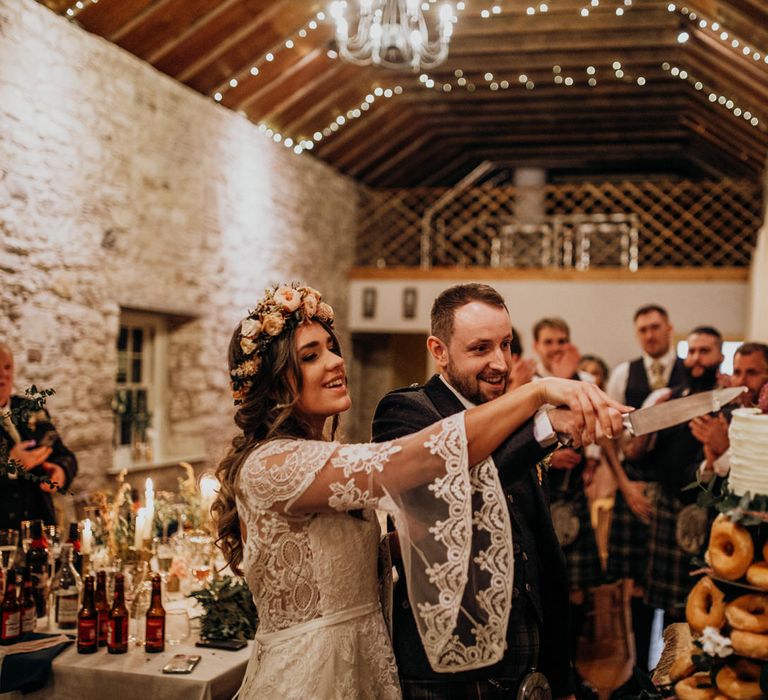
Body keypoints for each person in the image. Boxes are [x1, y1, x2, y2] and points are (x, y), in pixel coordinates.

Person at [213, 283, 627, 700]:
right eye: (310, 356)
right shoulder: (273, 465)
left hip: (368, 664)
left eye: (331, 348)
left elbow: (362, 555)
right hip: (310, 674)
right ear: (273, 382)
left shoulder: (327, 457)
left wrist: (403, 543)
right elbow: (421, 461)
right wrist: (537, 395)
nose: (337, 361)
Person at [372, 287, 610, 699]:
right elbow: (448, 501)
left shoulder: (519, 419)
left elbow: (543, 549)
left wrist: (561, 673)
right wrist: (544, 425)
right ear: (439, 350)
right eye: (481, 348)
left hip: (526, 659)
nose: (500, 363)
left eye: (505, 345)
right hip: (446, 673)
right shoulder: (406, 411)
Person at [604, 304, 686, 683]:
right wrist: (625, 486)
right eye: (643, 330)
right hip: (633, 489)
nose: (650, 335)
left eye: (656, 327)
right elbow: (609, 435)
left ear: (669, 328)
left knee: (673, 593)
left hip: (674, 493)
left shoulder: (691, 373)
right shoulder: (625, 373)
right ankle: (636, 676)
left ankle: (670, 676)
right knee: (635, 590)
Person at [630, 327, 724, 625]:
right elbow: (635, 452)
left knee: (702, 607)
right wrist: (653, 417)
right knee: (660, 606)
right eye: (691, 351)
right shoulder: (671, 398)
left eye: (704, 351)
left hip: (708, 514)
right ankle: (654, 671)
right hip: (666, 506)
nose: (696, 358)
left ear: (720, 356)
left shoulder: (729, 404)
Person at [530, 317, 601, 699]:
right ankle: (544, 674)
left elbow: (597, 433)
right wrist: (548, 457)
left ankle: (569, 674)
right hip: (540, 494)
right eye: (549, 341)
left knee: (577, 593)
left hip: (573, 497)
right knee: (544, 587)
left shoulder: (583, 382)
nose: (556, 347)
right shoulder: (526, 386)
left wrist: (588, 458)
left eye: (562, 340)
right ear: (537, 345)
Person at [0, 342, 77, 530]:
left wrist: (60, 471)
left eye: (7, 367)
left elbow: (66, 456)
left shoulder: (31, 410)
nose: (3, 375)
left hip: (42, 529)